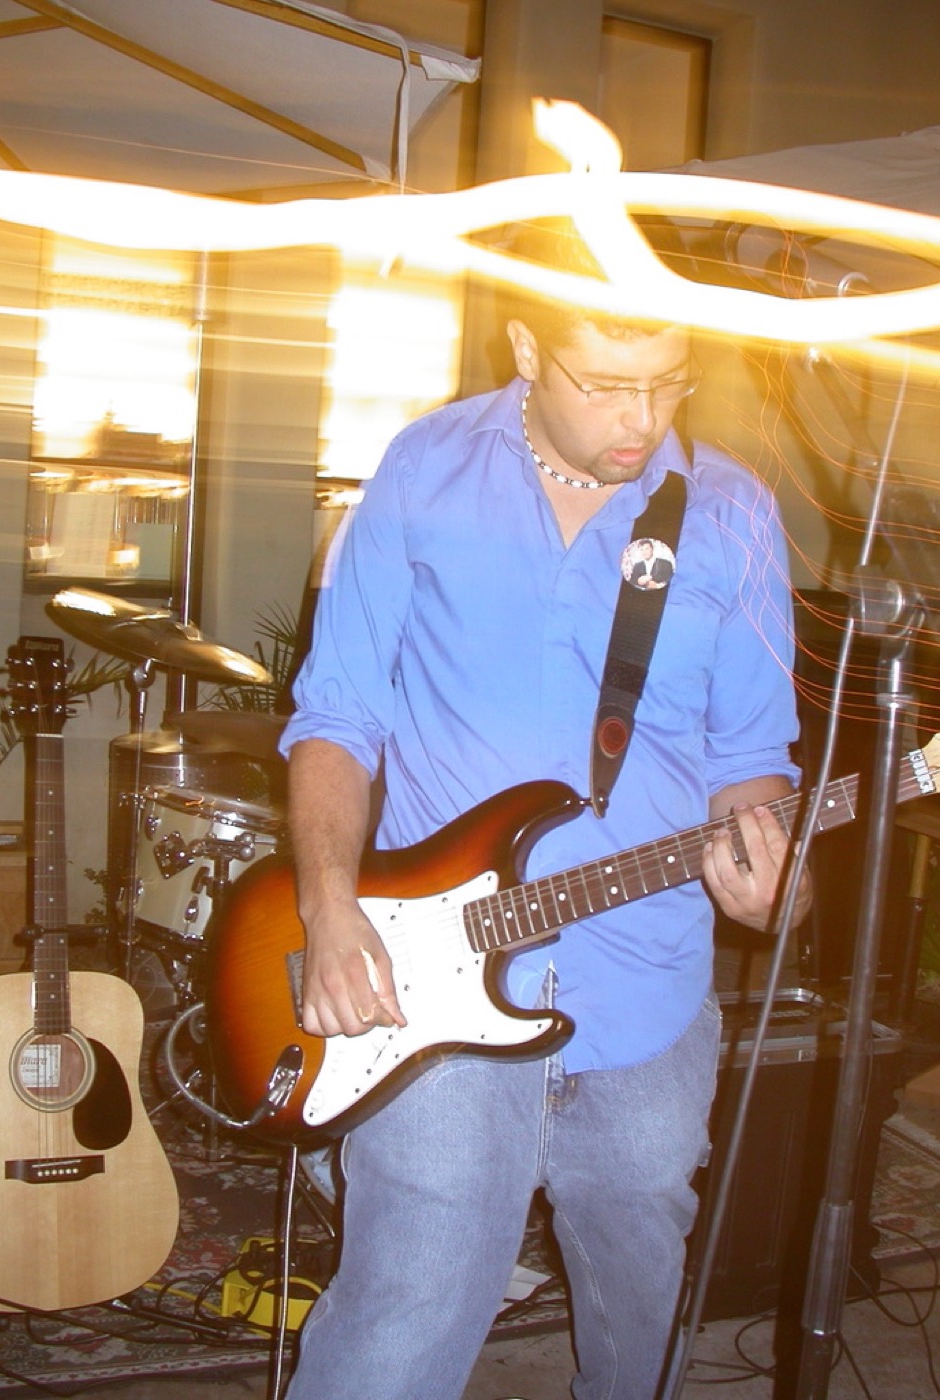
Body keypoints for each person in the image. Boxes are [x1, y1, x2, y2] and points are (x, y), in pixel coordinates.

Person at [278, 231, 811, 1400]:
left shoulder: (730, 513)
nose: (642, 417)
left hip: (645, 976)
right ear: (526, 347)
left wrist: (772, 867)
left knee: (637, 1291)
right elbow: (339, 712)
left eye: (669, 382)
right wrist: (328, 904)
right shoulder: (425, 467)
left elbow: (749, 760)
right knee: (408, 1304)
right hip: (435, 974)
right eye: (607, 382)